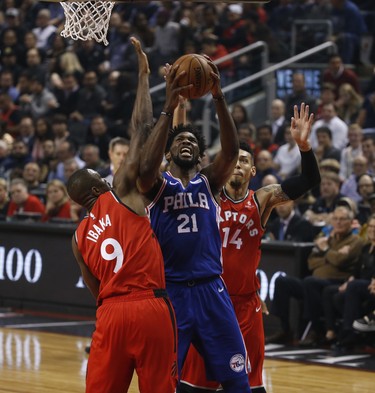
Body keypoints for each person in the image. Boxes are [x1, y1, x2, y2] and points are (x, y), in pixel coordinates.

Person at [178, 104, 320, 393]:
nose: (238, 165)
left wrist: (304, 147)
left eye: (244, 161)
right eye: (234, 160)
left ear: (253, 170)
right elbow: (180, 162)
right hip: (207, 300)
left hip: (245, 305)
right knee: (194, 386)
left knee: (250, 386)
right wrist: (179, 113)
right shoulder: (206, 195)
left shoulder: (262, 200)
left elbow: (308, 181)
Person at [67, 38, 178, 393]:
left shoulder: (78, 236)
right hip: (148, 307)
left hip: (110, 312)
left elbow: (94, 288)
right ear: (98, 186)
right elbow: (141, 129)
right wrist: (144, 77)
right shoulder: (121, 194)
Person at [138, 59, 252, 392]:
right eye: (179, 141)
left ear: (201, 156)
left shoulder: (209, 183)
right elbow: (145, 167)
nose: (186, 142)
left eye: (193, 142)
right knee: (162, 381)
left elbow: (231, 150)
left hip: (212, 290)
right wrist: (168, 109)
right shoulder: (156, 185)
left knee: (236, 378)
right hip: (171, 293)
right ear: (168, 154)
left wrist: (218, 97)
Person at [267, 205, 363, 345]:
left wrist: (325, 250)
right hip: (314, 282)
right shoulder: (328, 238)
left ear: (351, 221)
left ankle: (316, 331)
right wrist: (330, 254)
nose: (338, 222)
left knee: (310, 282)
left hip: (335, 282)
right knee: (282, 282)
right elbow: (311, 261)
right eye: (335, 219)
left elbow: (340, 262)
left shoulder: (355, 241)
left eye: (342, 219)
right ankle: (285, 329)